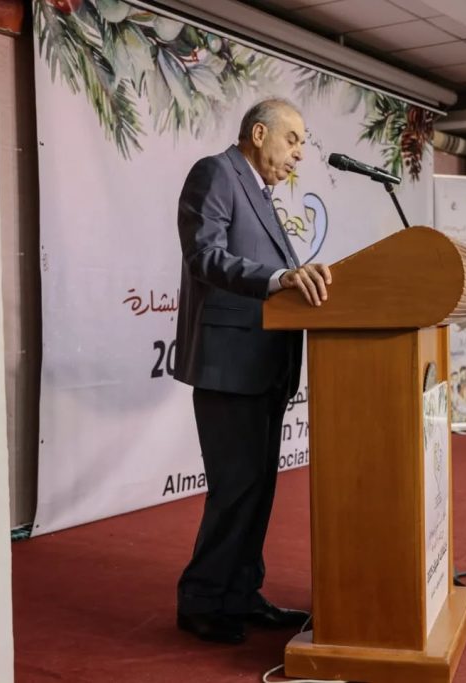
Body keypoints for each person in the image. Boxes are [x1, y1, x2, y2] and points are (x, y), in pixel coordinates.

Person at [172, 98, 332, 644]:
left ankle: (240, 594)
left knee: (257, 490)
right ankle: (200, 600)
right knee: (234, 490)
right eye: (293, 140)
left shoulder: (260, 193)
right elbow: (204, 255)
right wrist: (279, 278)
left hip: (264, 367)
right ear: (259, 133)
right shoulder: (216, 173)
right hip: (229, 366)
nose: (299, 154)